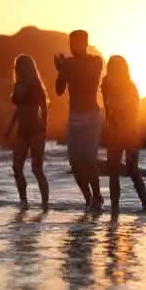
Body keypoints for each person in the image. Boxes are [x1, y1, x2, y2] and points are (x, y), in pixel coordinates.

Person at [55, 30, 104, 211]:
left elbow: (89, 82)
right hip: (74, 115)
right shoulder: (68, 64)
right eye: (70, 43)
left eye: (74, 43)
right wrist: (60, 71)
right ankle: (88, 198)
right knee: (75, 162)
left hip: (91, 115)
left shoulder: (95, 61)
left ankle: (97, 196)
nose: (71, 47)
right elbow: (59, 90)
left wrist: (66, 68)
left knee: (88, 159)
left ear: (84, 43)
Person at [101, 55, 146, 213]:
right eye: (110, 67)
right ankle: (115, 207)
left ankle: (145, 205)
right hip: (114, 132)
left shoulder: (130, 86)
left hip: (129, 133)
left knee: (132, 169)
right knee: (113, 170)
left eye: (115, 67)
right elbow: (108, 110)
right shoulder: (107, 84)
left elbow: (133, 111)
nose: (112, 70)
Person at [5, 54, 50, 209]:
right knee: (17, 167)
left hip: (36, 131)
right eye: (16, 65)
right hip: (21, 132)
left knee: (37, 169)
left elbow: (44, 107)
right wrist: (9, 129)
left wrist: (44, 128)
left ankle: (45, 203)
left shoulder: (35, 84)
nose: (16, 68)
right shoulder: (17, 85)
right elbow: (18, 111)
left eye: (19, 65)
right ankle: (23, 201)